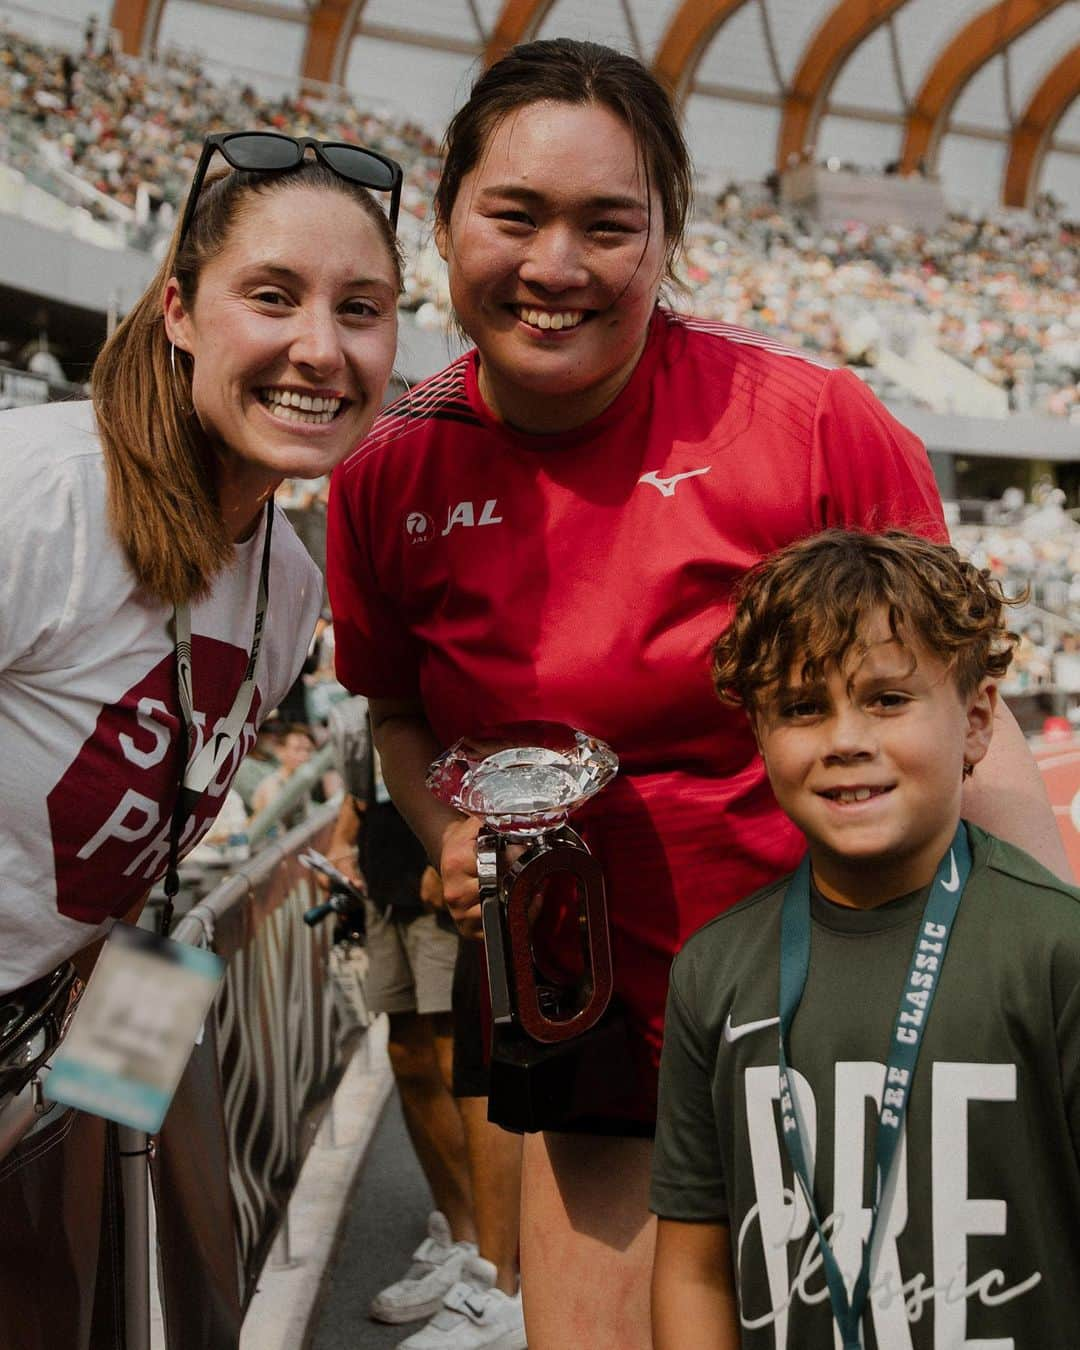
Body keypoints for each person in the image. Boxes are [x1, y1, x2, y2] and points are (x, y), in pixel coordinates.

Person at [325, 38, 1068, 1350]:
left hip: (849, 1014)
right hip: (585, 1020)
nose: (557, 266)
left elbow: (963, 712)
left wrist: (1050, 972)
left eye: (608, 224)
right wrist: (447, 833)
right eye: (516, 214)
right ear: (444, 220)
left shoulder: (812, 423)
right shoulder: (386, 471)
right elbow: (398, 713)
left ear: (667, 235)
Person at [0, 129, 403, 1350]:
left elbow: (140, 890)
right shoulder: (40, 497)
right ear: (179, 309)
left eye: (363, 309)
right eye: (271, 297)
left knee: (84, 1300)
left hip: (71, 1026)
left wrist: (104, 1077)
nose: (320, 352)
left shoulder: (285, 585)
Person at [651, 529, 1080, 1347]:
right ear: (760, 736)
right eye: (803, 708)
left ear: (979, 721)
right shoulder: (714, 971)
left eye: (886, 699)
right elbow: (694, 1266)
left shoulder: (1057, 951)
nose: (845, 739)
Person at [323, 696, 480, 1331]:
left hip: (442, 862)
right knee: (408, 1055)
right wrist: (345, 836)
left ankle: (492, 1253)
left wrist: (444, 848)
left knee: (459, 1059)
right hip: (386, 871)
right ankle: (459, 1230)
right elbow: (381, 746)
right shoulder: (373, 658)